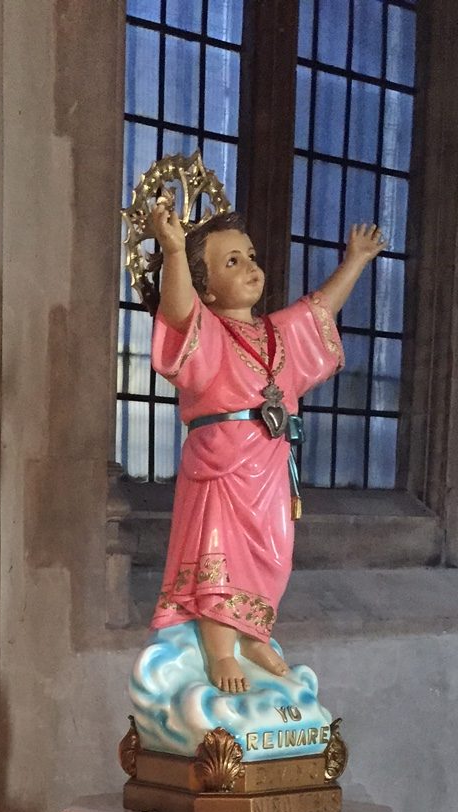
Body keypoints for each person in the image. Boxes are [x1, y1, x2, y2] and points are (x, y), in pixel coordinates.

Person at [145, 198, 385, 693]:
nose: (250, 267)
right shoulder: (206, 330)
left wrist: (355, 261)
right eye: (232, 262)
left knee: (274, 551)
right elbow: (177, 309)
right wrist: (172, 251)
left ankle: (255, 633)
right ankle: (217, 650)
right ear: (205, 286)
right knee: (221, 553)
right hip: (221, 464)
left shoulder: (275, 333)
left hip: (271, 460)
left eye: (250, 255)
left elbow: (320, 309)